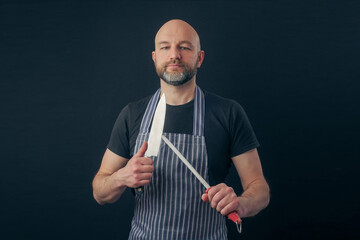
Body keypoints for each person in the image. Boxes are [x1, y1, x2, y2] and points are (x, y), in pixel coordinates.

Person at [92, 19, 270, 240]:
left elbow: (259, 189)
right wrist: (121, 177)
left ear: (200, 58)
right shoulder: (132, 114)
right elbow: (99, 192)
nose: (174, 55)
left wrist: (240, 204)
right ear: (155, 57)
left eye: (184, 47)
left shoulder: (228, 113)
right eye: (165, 47)